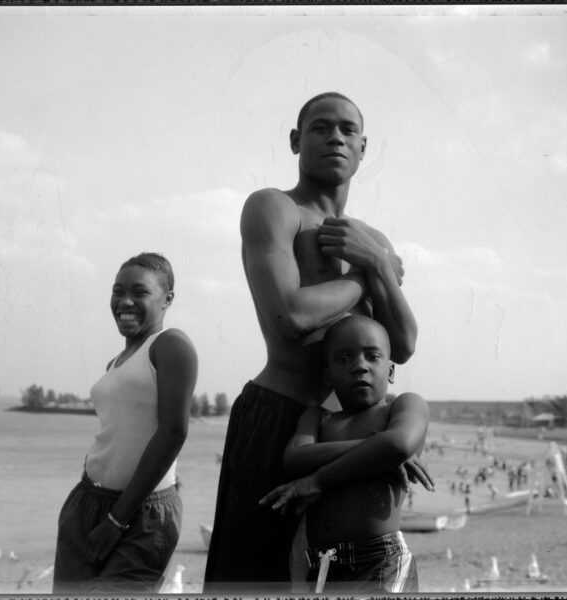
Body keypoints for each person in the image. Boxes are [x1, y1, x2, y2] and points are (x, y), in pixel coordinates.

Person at [204, 92, 432, 592]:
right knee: (253, 577)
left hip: (348, 429)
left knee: (345, 574)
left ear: (363, 148)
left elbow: (404, 344)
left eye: (348, 130)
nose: (335, 137)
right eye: (321, 127)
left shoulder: (373, 242)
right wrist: (369, 275)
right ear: (295, 141)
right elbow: (290, 315)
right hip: (279, 417)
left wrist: (376, 264)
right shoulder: (274, 208)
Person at [52, 253, 198, 594]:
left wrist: (117, 519)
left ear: (168, 299)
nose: (125, 301)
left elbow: (174, 432)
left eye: (139, 292)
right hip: (88, 502)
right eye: (118, 292)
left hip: (140, 514)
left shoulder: (170, 345)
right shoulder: (114, 363)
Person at [261, 315, 428, 593]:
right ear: (328, 375)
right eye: (343, 359)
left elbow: (398, 444)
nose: (359, 366)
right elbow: (295, 458)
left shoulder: (404, 406)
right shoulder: (317, 417)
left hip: (382, 562)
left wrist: (319, 479)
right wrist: (377, 448)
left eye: (372, 356)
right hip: (326, 566)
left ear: (390, 370)